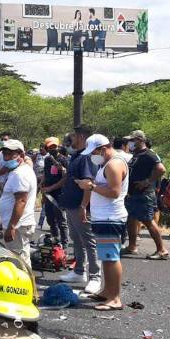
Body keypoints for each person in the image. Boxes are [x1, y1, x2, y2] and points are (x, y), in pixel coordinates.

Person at [76, 134, 128, 311]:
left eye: (95, 152)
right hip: (103, 217)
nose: (93, 155)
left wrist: (90, 187)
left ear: (103, 148)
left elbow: (114, 192)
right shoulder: (106, 163)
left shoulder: (114, 164)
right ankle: (107, 291)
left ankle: (115, 298)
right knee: (106, 257)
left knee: (111, 258)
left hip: (110, 217)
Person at [58, 125, 102, 294]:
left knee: (89, 242)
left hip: (80, 207)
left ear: (82, 137)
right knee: (76, 240)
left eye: (74, 136)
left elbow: (88, 184)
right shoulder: (77, 155)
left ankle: (95, 277)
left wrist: (84, 206)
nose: (72, 140)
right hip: (71, 205)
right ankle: (79, 272)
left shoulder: (86, 157)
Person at [123, 130, 168, 260]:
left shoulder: (149, 154)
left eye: (132, 140)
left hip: (144, 194)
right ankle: (132, 246)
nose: (130, 143)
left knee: (148, 221)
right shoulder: (136, 154)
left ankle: (161, 250)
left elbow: (161, 169)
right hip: (133, 194)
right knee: (131, 220)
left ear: (140, 140)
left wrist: (147, 181)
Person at [0, 140, 38, 268]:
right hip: (19, 224)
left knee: (19, 263)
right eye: (5, 153)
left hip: (18, 226)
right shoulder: (21, 170)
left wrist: (12, 227)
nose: (7, 157)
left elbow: (21, 201)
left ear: (21, 154)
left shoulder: (19, 173)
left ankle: (25, 287)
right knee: (19, 260)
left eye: (11, 154)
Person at [41, 137, 69, 247]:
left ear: (58, 146)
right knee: (50, 218)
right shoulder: (47, 160)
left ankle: (64, 243)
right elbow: (46, 174)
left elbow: (65, 178)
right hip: (48, 193)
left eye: (54, 146)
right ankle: (55, 240)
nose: (52, 148)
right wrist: (41, 186)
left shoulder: (63, 160)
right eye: (50, 147)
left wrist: (62, 169)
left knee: (61, 219)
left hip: (59, 193)